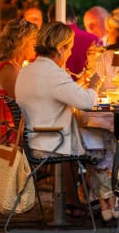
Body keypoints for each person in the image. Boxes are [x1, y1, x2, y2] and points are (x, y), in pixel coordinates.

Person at [14, 21, 100, 155]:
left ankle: (84, 168)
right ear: (60, 49)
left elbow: (51, 92)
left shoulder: (25, 72)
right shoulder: (54, 74)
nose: (70, 53)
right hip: (54, 143)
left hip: (32, 142)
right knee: (109, 139)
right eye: (70, 48)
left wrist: (79, 83)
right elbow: (87, 102)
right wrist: (94, 85)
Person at [0, 19, 39, 149]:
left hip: (10, 135)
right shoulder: (10, 70)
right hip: (6, 140)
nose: (37, 45)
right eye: (34, 40)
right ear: (22, 43)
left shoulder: (11, 67)